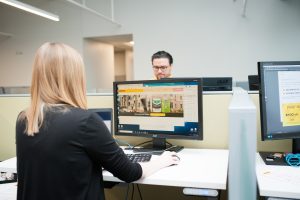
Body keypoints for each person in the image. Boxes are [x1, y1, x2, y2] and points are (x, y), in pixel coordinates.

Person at [16, 42, 180, 200]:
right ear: (74, 77)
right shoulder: (84, 121)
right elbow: (130, 173)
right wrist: (162, 161)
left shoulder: (24, 118)